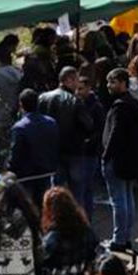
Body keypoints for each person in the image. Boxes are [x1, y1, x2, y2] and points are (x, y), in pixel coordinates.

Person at [102, 69, 138, 252]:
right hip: (130, 159)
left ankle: (119, 239)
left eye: (112, 82)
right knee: (127, 198)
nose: (108, 86)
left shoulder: (120, 106)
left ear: (122, 82)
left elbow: (115, 133)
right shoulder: (134, 103)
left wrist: (106, 156)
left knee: (118, 200)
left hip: (117, 160)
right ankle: (125, 236)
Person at [39, 66, 96, 202]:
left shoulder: (43, 98)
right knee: (77, 193)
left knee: (55, 192)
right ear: (69, 80)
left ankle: (56, 219)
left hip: (53, 151)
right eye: (76, 79)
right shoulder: (75, 101)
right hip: (74, 151)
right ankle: (77, 220)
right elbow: (89, 125)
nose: (78, 83)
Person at [9, 89, 60, 202]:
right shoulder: (51, 122)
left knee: (29, 207)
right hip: (47, 172)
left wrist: (10, 168)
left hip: (27, 175)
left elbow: (15, 152)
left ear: (21, 105)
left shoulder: (19, 127)